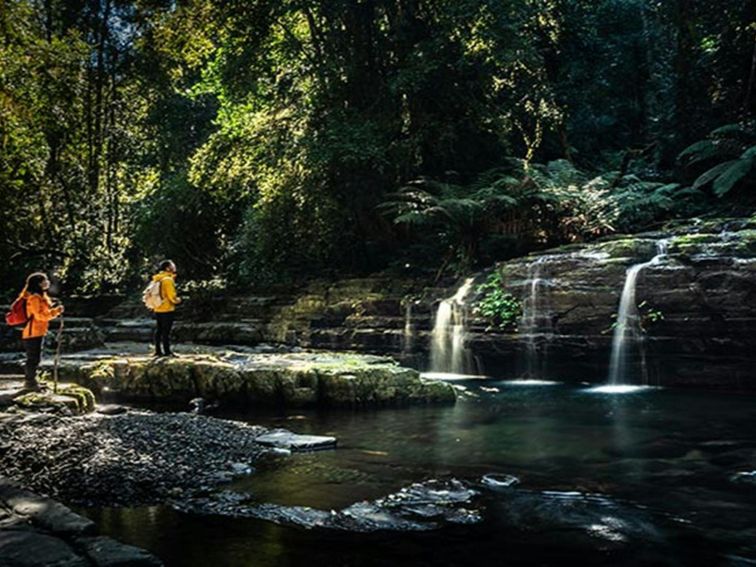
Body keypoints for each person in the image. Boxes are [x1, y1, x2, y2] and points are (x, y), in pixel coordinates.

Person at [19, 273, 64, 391]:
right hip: (32, 332)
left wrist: (54, 308)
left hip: (38, 331)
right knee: (33, 359)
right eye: (45, 280)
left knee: (35, 358)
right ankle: (30, 383)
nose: (48, 282)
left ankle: (33, 381)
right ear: (39, 284)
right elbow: (40, 316)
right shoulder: (34, 298)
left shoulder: (41, 296)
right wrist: (55, 312)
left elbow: (43, 310)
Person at [151, 260, 181, 357]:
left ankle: (158, 351)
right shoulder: (168, 280)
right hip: (167, 308)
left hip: (158, 307)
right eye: (173, 265)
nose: (174, 267)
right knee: (166, 331)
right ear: (168, 268)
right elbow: (171, 296)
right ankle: (167, 351)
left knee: (159, 330)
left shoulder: (158, 278)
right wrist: (177, 300)